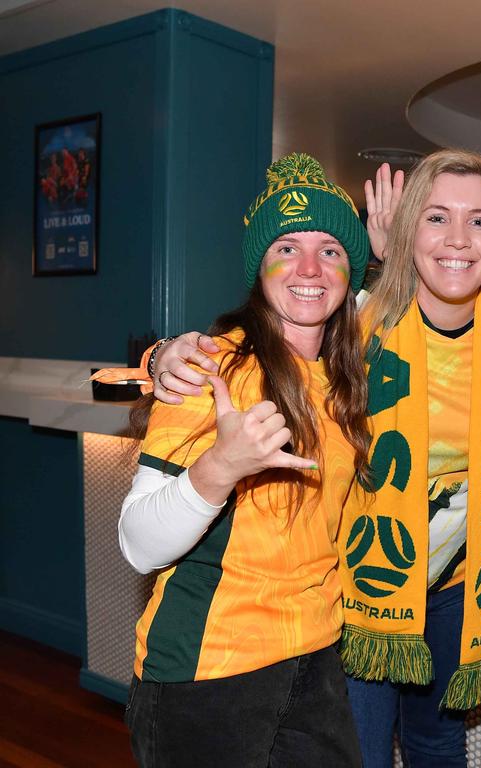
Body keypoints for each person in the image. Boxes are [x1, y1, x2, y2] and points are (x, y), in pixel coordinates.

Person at [150, 149, 481, 768]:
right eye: (435, 217)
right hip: (362, 587)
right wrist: (166, 354)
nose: (458, 238)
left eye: (479, 221)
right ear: (409, 234)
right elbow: (269, 336)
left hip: (464, 589)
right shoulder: (359, 324)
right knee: (363, 754)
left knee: (439, 743)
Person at [116, 153, 371, 766]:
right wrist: (220, 469)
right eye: (287, 247)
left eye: (331, 249)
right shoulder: (211, 368)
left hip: (315, 659)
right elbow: (138, 544)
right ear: (260, 266)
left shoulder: (349, 374)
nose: (310, 268)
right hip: (207, 670)